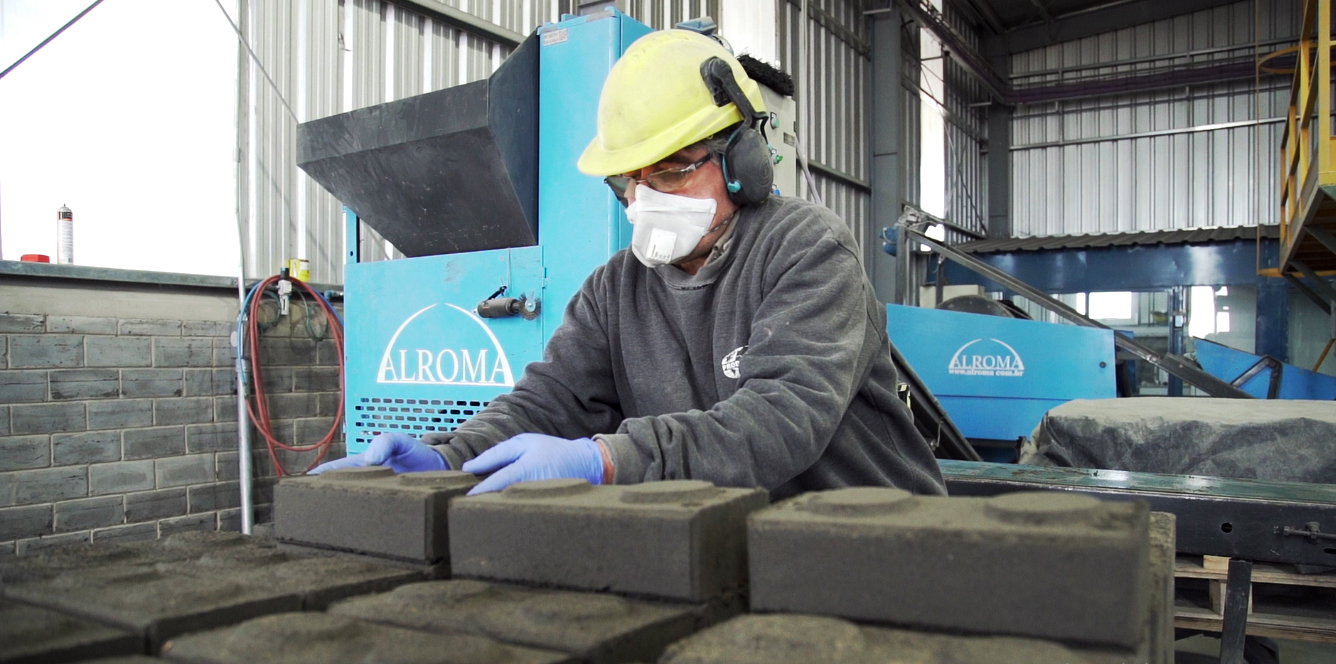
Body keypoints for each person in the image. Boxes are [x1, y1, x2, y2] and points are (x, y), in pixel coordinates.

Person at [313, 30, 946, 499]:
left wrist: (606, 460)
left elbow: (779, 421)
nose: (645, 199)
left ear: (743, 160)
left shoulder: (808, 249)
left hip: (884, 546)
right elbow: (546, 403)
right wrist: (448, 456)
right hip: (745, 545)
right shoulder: (617, 288)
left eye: (671, 170)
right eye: (629, 182)